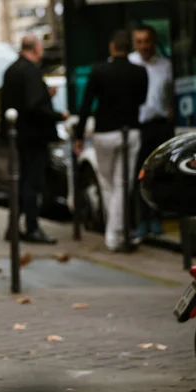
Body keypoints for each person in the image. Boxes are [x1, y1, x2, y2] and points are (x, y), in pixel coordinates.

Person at [75, 30, 148, 252]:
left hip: (104, 133)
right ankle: (115, 233)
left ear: (112, 47)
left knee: (108, 183)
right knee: (122, 185)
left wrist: (78, 135)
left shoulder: (99, 71)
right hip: (130, 132)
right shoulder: (139, 72)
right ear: (130, 48)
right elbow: (142, 99)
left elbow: (86, 104)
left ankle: (113, 234)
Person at [1, 34, 68, 245]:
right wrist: (58, 115)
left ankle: (14, 227)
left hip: (19, 136)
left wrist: (45, 94)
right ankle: (32, 228)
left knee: (22, 182)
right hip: (34, 136)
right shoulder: (30, 70)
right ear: (36, 48)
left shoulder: (12, 70)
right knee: (33, 182)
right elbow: (33, 105)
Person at [129, 25, 174, 240]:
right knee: (140, 174)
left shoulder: (166, 65)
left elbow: (172, 95)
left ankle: (156, 217)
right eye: (139, 41)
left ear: (153, 42)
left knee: (159, 174)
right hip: (138, 127)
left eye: (146, 41)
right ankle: (142, 220)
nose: (143, 46)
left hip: (160, 125)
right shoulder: (129, 64)